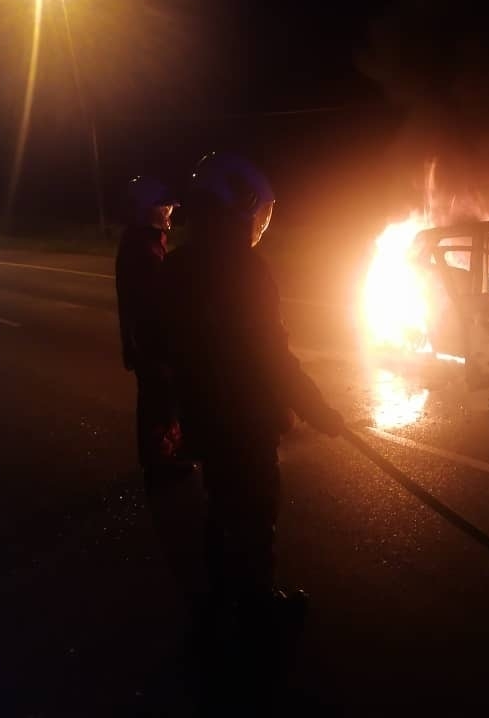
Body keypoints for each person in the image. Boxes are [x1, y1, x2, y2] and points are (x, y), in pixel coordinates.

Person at [159, 152, 343, 711]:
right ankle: (259, 608)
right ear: (242, 207)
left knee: (220, 506)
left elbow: (170, 346)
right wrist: (317, 409)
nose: (258, 221)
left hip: (205, 415)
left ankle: (216, 602)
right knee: (258, 510)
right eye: (257, 211)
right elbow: (270, 355)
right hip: (243, 416)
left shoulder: (179, 264)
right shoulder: (244, 268)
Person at [115, 175, 182, 477]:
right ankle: (161, 463)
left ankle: (158, 458)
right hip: (152, 345)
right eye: (164, 206)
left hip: (145, 343)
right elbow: (153, 306)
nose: (170, 211)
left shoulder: (143, 243)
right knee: (159, 404)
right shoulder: (144, 250)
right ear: (148, 209)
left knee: (156, 402)